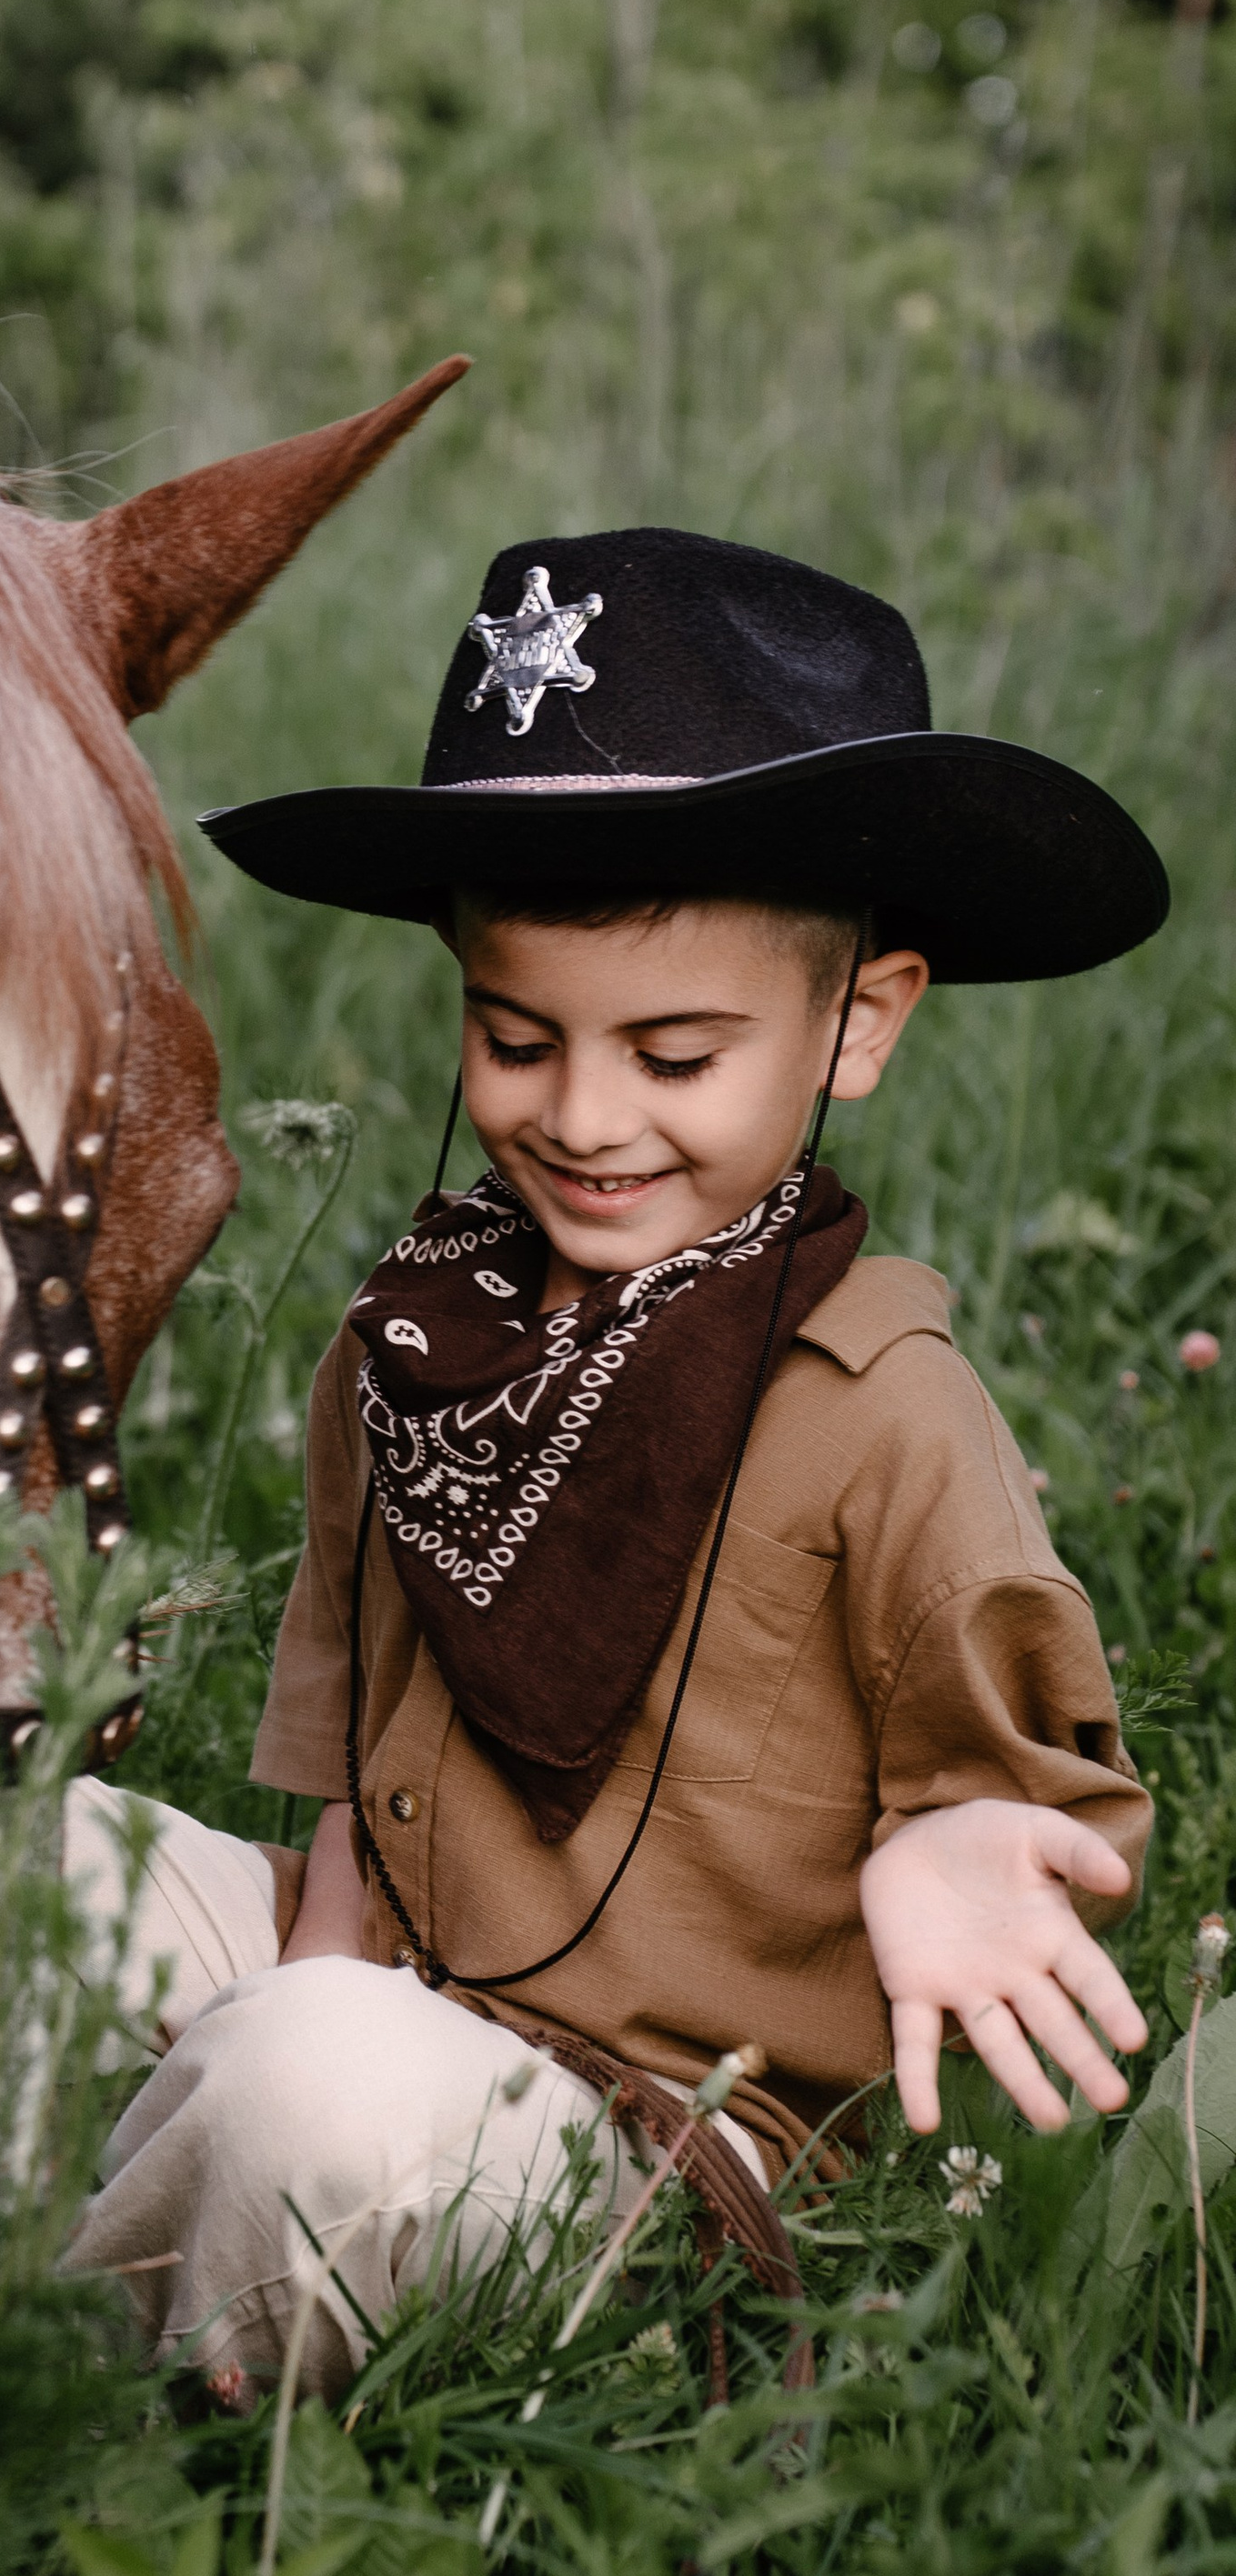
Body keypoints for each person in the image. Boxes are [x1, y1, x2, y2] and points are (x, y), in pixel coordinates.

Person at [64, 526, 1168, 2401]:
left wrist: (963, 1839)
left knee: (307, 2091)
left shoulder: (880, 1404)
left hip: (653, 2134)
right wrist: (298, 1987)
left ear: (858, 1022)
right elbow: (349, 1797)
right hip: (380, 1988)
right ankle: (63, 2195)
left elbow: (1042, 1815)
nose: (578, 1120)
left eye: (672, 1055)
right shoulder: (405, 1351)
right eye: (513, 1039)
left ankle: (36, 2368)